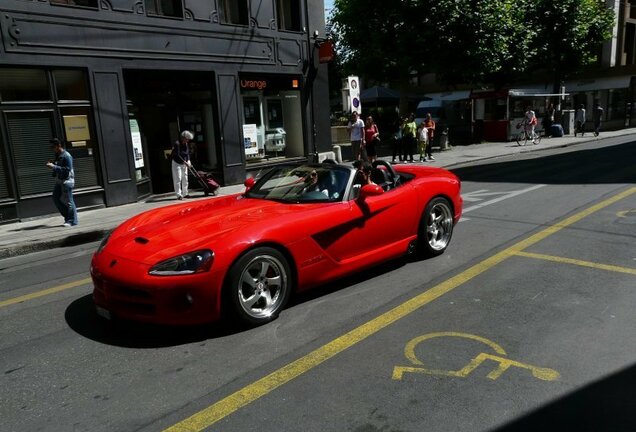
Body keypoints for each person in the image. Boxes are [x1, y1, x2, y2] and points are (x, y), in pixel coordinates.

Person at [46, 138, 78, 227]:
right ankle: (67, 217)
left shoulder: (66, 156)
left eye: (53, 147)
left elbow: (67, 170)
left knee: (69, 201)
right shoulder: (58, 155)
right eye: (51, 147)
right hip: (59, 181)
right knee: (55, 198)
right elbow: (59, 167)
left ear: (58, 146)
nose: (52, 149)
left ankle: (72, 220)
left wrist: (53, 166)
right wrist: (53, 165)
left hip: (67, 181)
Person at [171, 130, 193, 200]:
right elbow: (177, 155)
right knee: (178, 179)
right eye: (187, 139)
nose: (188, 141)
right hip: (177, 163)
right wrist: (184, 162)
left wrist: (188, 160)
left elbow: (187, 153)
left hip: (184, 163)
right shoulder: (177, 144)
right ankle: (179, 195)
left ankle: (185, 193)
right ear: (183, 138)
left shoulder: (186, 144)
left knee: (185, 178)